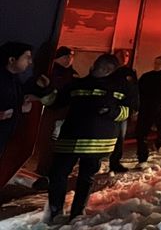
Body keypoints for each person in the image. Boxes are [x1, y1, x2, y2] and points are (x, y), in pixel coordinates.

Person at [47, 53, 133, 222]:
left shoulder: (117, 88)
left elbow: (128, 111)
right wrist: (43, 90)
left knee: (65, 175)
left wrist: (110, 112)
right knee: (75, 177)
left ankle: (64, 212)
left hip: (83, 141)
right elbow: (56, 102)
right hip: (85, 141)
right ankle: (68, 213)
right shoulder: (83, 84)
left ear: (104, 69)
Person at [34, 47, 80, 185]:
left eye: (71, 57)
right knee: (48, 141)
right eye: (66, 57)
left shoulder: (73, 74)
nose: (69, 59)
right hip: (52, 111)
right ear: (57, 58)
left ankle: (55, 170)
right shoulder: (52, 71)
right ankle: (43, 170)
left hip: (67, 112)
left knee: (61, 142)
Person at [0, 42, 53, 156]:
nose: (30, 62)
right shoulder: (3, 80)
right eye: (27, 58)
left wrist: (39, 88)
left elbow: (21, 96)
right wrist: (21, 109)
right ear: (12, 60)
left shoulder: (14, 80)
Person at [108, 49, 139, 173]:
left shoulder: (129, 72)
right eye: (121, 55)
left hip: (122, 111)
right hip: (107, 108)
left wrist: (135, 108)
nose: (124, 57)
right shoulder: (108, 69)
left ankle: (115, 163)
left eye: (126, 55)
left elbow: (134, 92)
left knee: (120, 138)